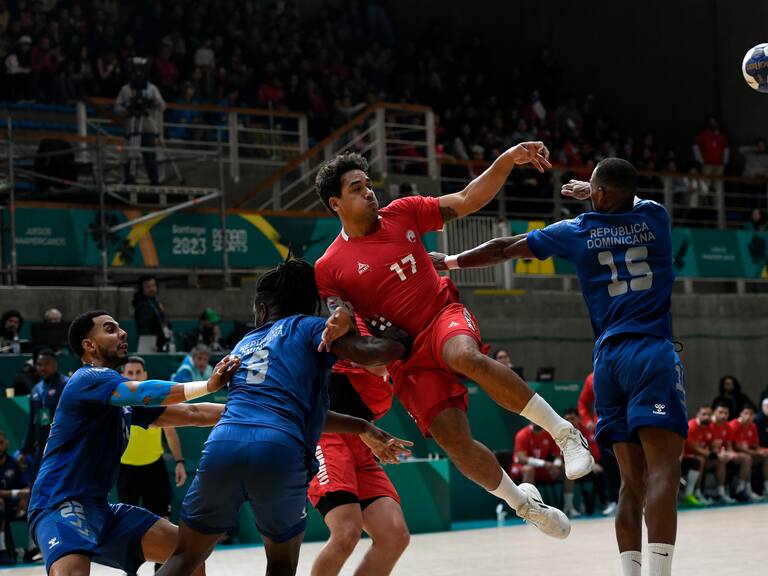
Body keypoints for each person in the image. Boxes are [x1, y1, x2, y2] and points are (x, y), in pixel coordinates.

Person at [314, 148, 593, 541]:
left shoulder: (404, 211)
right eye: (356, 188)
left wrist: (508, 159)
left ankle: (565, 434)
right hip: (407, 357)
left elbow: (467, 199)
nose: (369, 192)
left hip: (441, 315)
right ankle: (523, 504)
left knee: (463, 356)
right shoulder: (329, 266)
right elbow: (339, 312)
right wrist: (338, 319)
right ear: (336, 203)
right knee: (455, 443)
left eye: (369, 184)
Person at [432, 158, 687, 576]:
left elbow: (504, 248)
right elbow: (628, 196)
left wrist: (451, 261)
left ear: (599, 194)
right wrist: (598, 193)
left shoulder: (577, 231)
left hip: (607, 362)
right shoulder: (655, 217)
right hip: (651, 353)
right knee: (664, 472)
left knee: (630, 482)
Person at [155, 258, 413, 576]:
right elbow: (371, 352)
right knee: (281, 563)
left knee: (184, 557)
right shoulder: (311, 327)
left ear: (262, 310)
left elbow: (292, 410)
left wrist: (361, 426)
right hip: (279, 449)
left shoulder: (243, 344)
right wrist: (406, 339)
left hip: (224, 443)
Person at [27, 310, 240, 575]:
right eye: (110, 329)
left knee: (188, 554)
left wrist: (255, 411)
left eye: (119, 327)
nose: (122, 332)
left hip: (99, 508)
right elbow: (145, 392)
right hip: (59, 503)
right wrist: (208, 386)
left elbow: (192, 413)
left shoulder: (120, 398)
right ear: (89, 345)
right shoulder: (86, 379)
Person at [308, 326, 408, 576]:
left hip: (361, 448)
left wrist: (376, 439)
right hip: (326, 440)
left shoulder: (385, 385)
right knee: (346, 533)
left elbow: (361, 420)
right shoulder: (338, 357)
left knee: (394, 535)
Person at [118, 356, 188, 574]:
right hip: (126, 470)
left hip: (154, 468)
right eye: (129, 373)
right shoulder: (116, 401)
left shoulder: (156, 398)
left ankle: (162, 572)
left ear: (145, 375)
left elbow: (171, 431)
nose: (134, 376)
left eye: (138, 372)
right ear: (123, 376)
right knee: (127, 527)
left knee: (164, 524)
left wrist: (179, 461)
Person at [18, 349, 68, 480]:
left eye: (46, 364)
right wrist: (24, 450)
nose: (42, 368)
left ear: (55, 364)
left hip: (62, 447)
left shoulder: (66, 385)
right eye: (39, 364)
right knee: (38, 486)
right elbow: (32, 424)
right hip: (41, 450)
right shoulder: (36, 389)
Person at [115, 57, 165, 185]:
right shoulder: (125, 89)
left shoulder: (152, 89)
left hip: (148, 128)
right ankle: (129, 179)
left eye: (141, 70)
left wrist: (154, 102)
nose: (138, 73)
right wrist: (127, 109)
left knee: (150, 156)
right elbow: (117, 108)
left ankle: (154, 181)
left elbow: (163, 106)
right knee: (130, 155)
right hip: (131, 127)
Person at [510, 424, 577, 517]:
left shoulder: (549, 434)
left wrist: (556, 466)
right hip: (520, 467)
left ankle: (568, 507)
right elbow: (521, 458)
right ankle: (529, 511)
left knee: (567, 469)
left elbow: (557, 456)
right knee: (529, 470)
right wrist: (544, 464)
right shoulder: (523, 434)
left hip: (541, 469)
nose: (536, 421)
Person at [710, 401, 752, 502]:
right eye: (720, 412)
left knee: (746, 458)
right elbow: (709, 448)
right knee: (721, 460)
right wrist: (719, 453)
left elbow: (729, 445)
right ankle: (721, 492)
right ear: (714, 412)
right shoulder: (709, 425)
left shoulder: (727, 426)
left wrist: (732, 454)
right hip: (710, 457)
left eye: (726, 413)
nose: (723, 415)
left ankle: (740, 489)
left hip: (723, 454)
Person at [0, 430, 31, 565]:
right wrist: (16, 493)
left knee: (32, 504)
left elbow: (26, 486)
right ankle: (2, 550)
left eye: (0, 443)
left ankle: (32, 550)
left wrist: (23, 498)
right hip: (1, 508)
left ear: (6, 443)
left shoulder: (13, 462)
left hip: (14, 506)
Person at [728, 403, 768, 499]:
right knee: (747, 459)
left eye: (751, 414)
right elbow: (737, 447)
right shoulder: (733, 425)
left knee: (766, 457)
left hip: (748, 453)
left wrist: (763, 450)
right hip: (735, 454)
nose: (748, 416)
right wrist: (756, 452)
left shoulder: (753, 426)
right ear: (741, 414)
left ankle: (766, 488)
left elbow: (754, 445)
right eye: (746, 413)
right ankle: (742, 488)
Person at [680, 406, 717, 506]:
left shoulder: (710, 426)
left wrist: (716, 453)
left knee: (720, 460)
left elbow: (713, 444)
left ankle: (721, 492)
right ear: (698, 415)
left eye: (709, 414)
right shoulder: (691, 426)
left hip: (700, 456)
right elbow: (694, 448)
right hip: (685, 456)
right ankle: (696, 492)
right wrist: (711, 454)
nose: (707, 417)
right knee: (700, 460)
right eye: (704, 414)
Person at [133, 275, 171, 352]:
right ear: (142, 288)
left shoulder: (155, 302)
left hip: (159, 342)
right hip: (150, 343)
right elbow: (144, 327)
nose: (151, 289)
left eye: (153, 285)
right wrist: (150, 345)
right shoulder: (142, 304)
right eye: (147, 286)